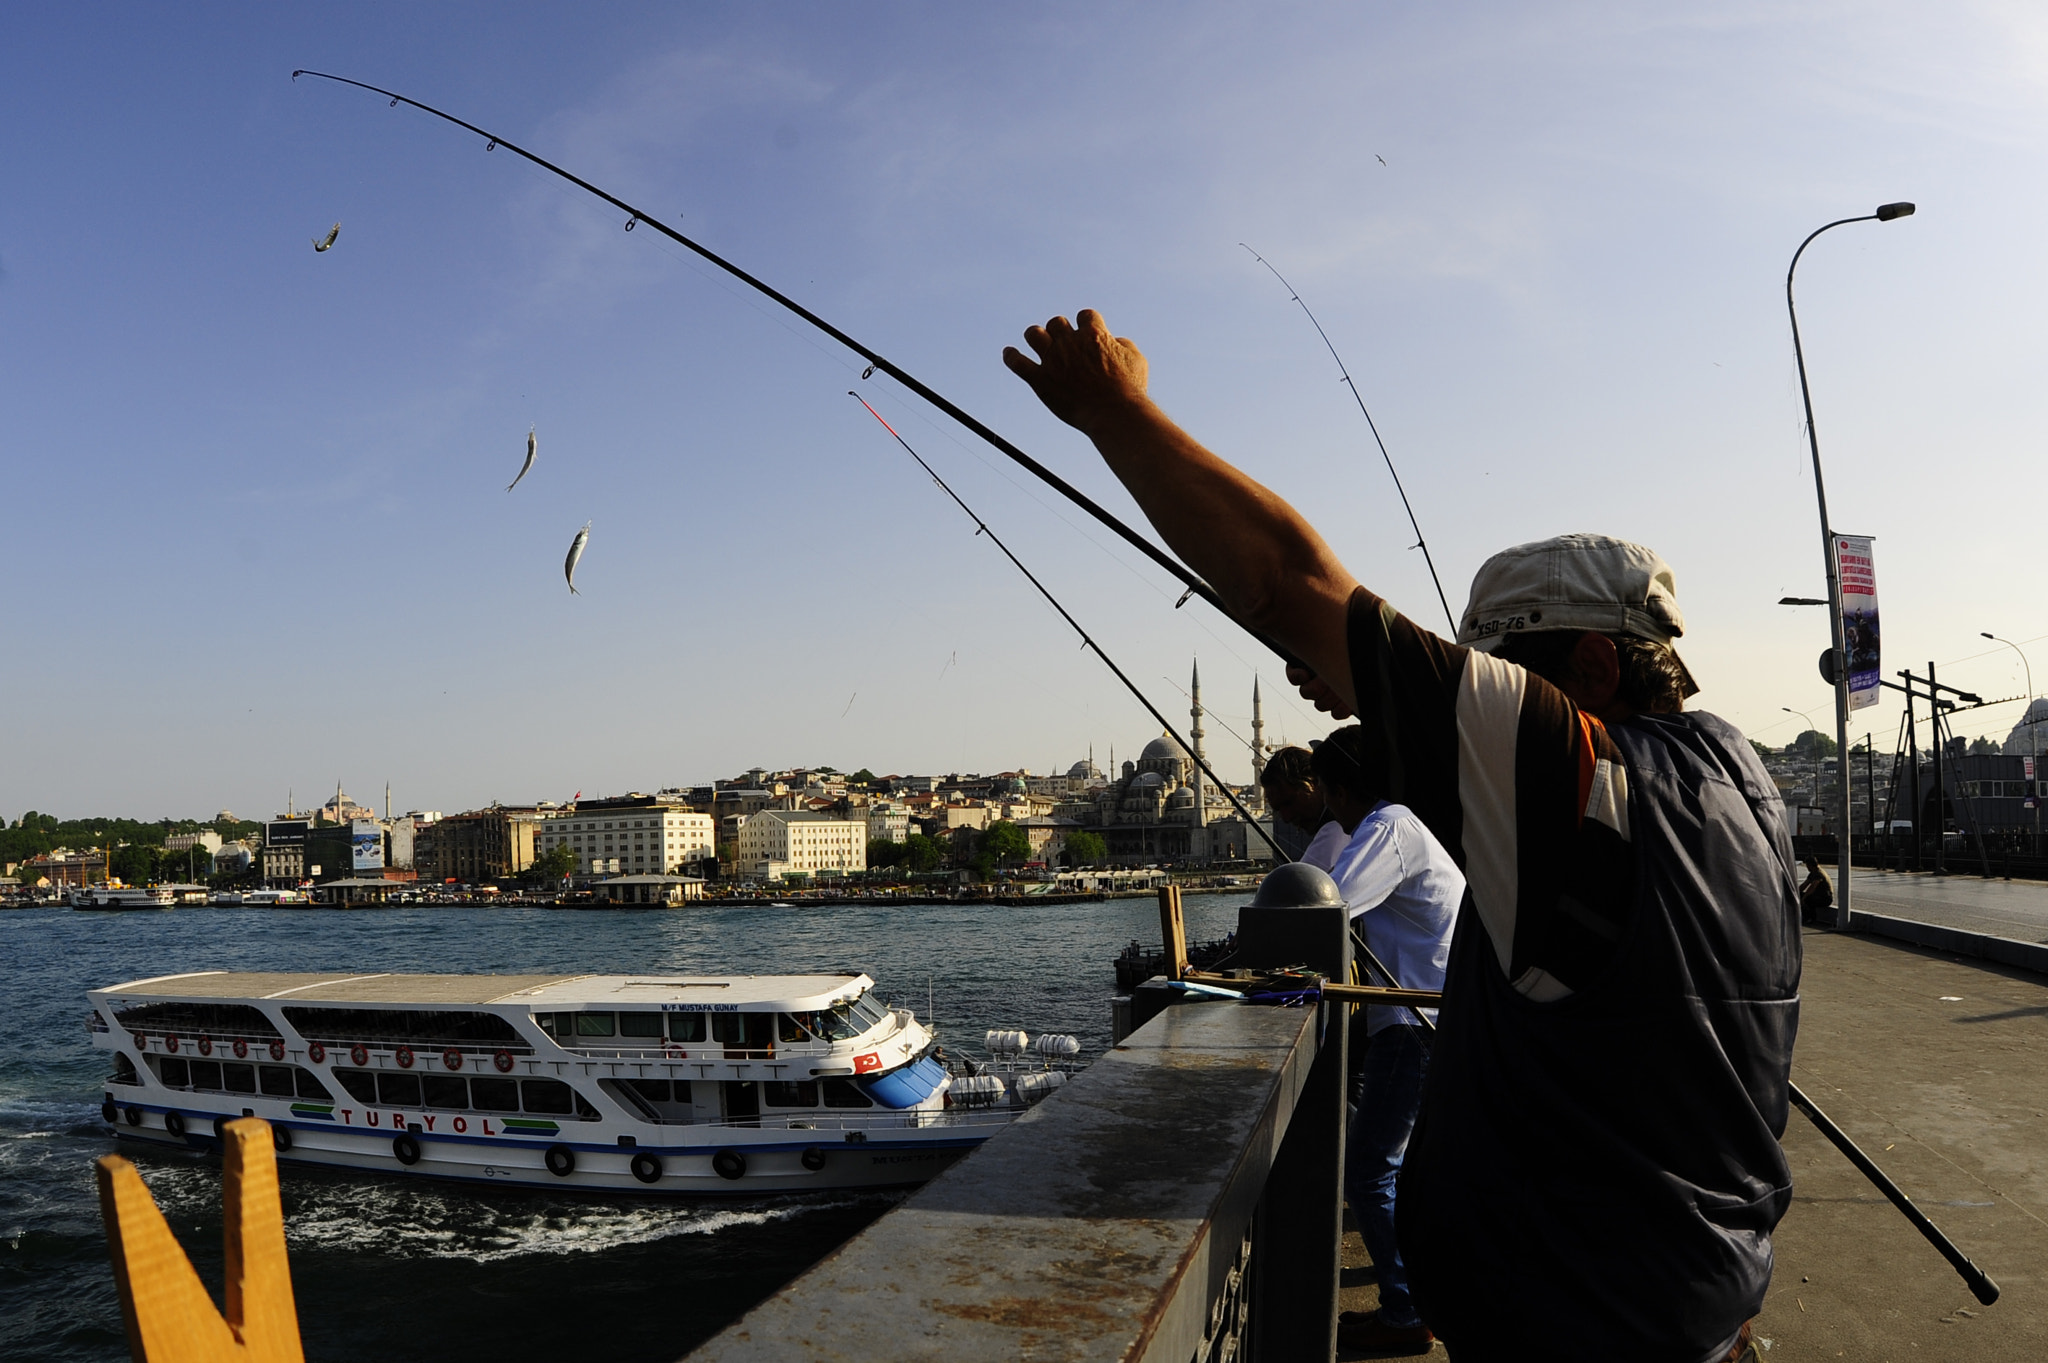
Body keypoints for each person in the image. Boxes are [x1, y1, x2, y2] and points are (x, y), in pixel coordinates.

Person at [1005, 310, 1800, 1362]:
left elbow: (1280, 582)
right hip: (1694, 1301)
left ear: (1594, 673)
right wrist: (1380, 704)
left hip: (1582, 1328)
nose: (1486, 695)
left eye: (1504, 670)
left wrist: (1114, 410)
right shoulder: (1740, 780)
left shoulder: (1573, 770)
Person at [1311, 726, 1463, 1355]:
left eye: (1324, 791)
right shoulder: (1401, 823)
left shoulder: (1386, 829)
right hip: (1425, 1020)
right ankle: (1415, 1304)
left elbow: (1330, 905)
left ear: (1342, 788)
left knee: (1371, 1172)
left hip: (1413, 1026)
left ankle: (1405, 1317)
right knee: (1398, 1171)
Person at [1260, 744, 1347, 870]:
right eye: (1278, 810)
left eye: (1289, 802)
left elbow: (1304, 885)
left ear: (1315, 783)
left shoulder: (1335, 831)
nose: (1286, 817)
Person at [1800, 856, 1834, 926]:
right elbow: (1804, 885)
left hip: (1825, 898)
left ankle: (1811, 918)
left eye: (1807, 865)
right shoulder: (1813, 872)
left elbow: (1812, 887)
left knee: (1808, 900)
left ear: (1810, 865)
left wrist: (1803, 898)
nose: (1807, 868)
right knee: (1800, 895)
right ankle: (1803, 916)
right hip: (1818, 896)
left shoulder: (1819, 873)